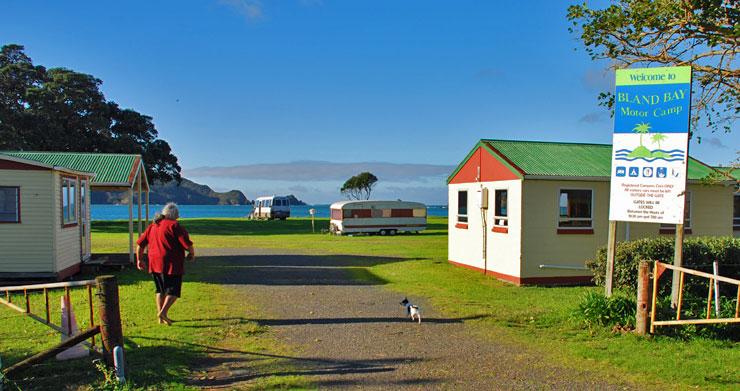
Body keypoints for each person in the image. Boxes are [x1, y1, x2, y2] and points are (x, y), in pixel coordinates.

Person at [136, 203, 195, 325]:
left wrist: (139, 259)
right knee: (173, 291)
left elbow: (140, 245)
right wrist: (192, 254)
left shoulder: (153, 226)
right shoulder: (175, 226)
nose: (178, 217)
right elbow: (187, 244)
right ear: (174, 215)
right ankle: (163, 312)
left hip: (154, 263)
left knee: (160, 290)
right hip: (172, 264)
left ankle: (161, 318)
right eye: (178, 215)